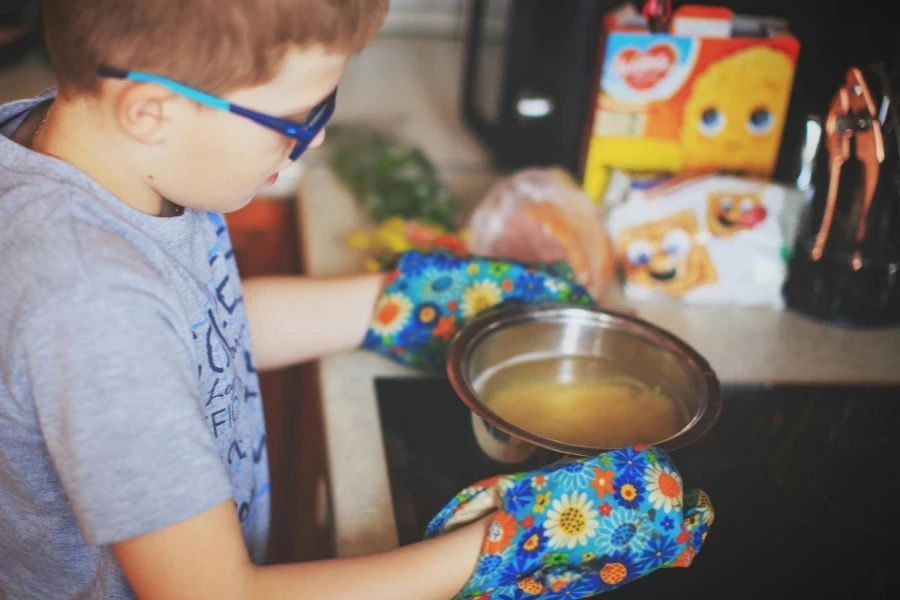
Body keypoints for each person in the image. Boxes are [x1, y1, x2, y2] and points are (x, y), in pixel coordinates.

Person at [0, 1, 711, 599]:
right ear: (151, 110)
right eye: (297, 121)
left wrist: (396, 302)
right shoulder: (87, 299)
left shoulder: (103, 161)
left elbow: (192, 332)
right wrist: (510, 543)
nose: (315, 142)